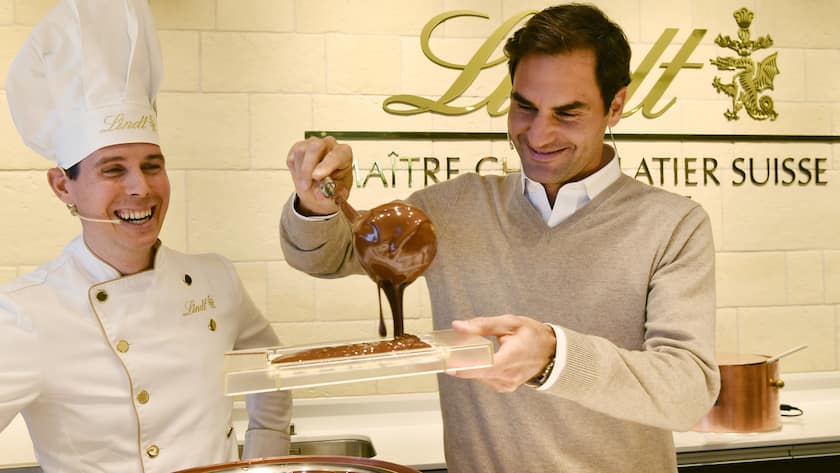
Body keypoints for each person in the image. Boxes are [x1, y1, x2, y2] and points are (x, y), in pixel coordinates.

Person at [280, 3, 720, 472]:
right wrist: (318, 202)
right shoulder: (451, 210)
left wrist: (553, 357)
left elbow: (687, 393)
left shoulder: (673, 224)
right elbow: (326, 257)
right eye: (523, 107)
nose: (538, 134)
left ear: (615, 105)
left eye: (568, 113)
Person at [0, 1, 291, 472]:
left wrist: (261, 461)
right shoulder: (28, 312)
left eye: (152, 165)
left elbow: (271, 374)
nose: (141, 187)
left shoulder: (215, 279)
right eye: (113, 169)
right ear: (62, 186)